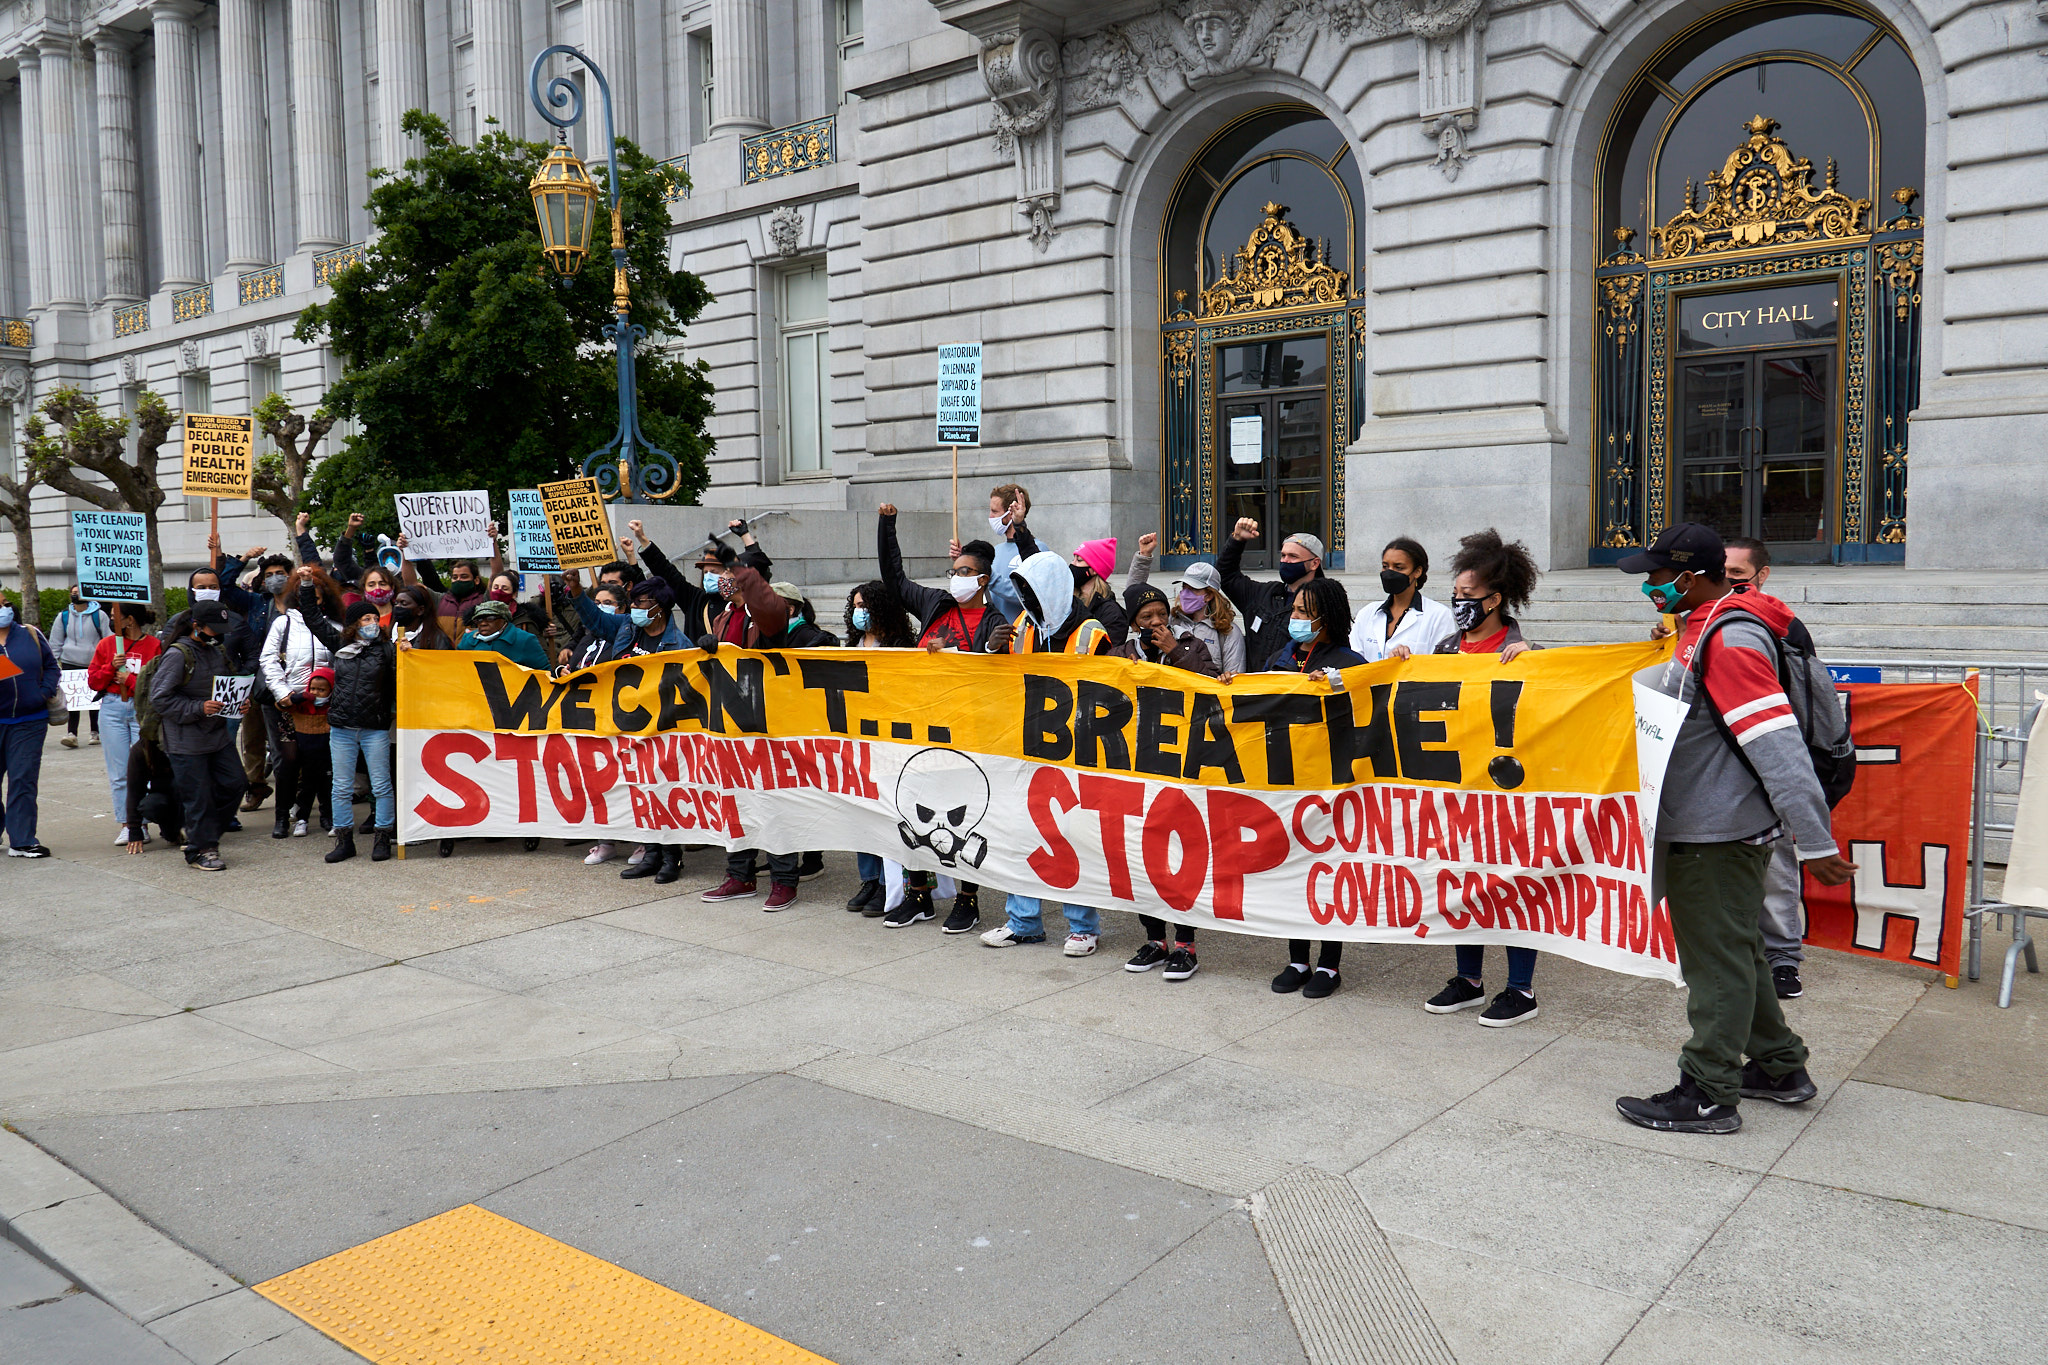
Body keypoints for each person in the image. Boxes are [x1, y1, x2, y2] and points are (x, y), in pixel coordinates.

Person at [1615, 522, 1856, 1134]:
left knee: (1715, 963)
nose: (1648, 587)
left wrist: (1816, 838)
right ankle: (1779, 1068)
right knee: (1739, 952)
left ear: (1691, 576)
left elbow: (1777, 744)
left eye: (1656, 575)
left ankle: (1707, 1093)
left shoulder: (1732, 641)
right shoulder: (1704, 625)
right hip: (1713, 820)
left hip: (1717, 831)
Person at [1422, 530, 1545, 1027]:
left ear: (1497, 599)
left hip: (1506, 792)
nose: (1459, 603)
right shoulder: (1447, 648)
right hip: (1457, 792)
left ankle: (1521, 989)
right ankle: (1469, 980)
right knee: (1464, 884)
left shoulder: (1522, 650)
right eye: (1456, 595)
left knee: (1513, 886)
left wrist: (1533, 667)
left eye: (1469, 597)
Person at [981, 550, 1117, 954]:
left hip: (1078, 753)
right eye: (1023, 591)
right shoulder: (1021, 626)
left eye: (1033, 591)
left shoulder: (1092, 633)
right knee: (1021, 835)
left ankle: (1083, 926)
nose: (1028, 601)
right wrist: (990, 649)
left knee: (1074, 838)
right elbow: (993, 682)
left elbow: (1110, 690)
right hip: (1026, 749)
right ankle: (1022, 921)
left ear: (1054, 590)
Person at [1260, 578, 1364, 995]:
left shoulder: (1349, 661)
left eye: (1305, 612)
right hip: (1287, 783)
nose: (1296, 618)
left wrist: (1335, 685)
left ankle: (1330, 965)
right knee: (1292, 871)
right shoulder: (1279, 657)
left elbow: (1363, 708)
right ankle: (1297, 959)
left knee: (1328, 870)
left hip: (1331, 785)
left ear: (1328, 617)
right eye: (1295, 610)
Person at [1113, 583, 1218, 981]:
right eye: (1146, 617)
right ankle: (1155, 939)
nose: (1156, 622)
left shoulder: (1191, 645)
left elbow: (1210, 683)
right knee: (1140, 857)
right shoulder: (1121, 654)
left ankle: (1186, 944)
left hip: (1179, 766)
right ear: (1133, 623)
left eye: (1161, 614)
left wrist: (1173, 650)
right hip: (1136, 768)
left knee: (1178, 857)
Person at [1723, 536, 1810, 1001]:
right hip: (1712, 775)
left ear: (1762, 576)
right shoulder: (1691, 623)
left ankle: (1782, 960)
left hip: (1762, 764)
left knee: (1775, 867)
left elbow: (1804, 696)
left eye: (1737, 577)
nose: (1728, 585)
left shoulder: (1783, 627)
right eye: (1722, 575)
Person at [564, 572, 689, 882]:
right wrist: (577, 590)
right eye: (632, 602)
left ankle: (672, 858)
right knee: (641, 791)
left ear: (659, 607)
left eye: (641, 602)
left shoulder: (678, 643)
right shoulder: (627, 628)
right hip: (628, 727)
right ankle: (651, 853)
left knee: (663, 792)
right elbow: (594, 620)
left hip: (661, 730)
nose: (634, 607)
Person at [839, 582, 934, 921]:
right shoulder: (852, 644)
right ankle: (869, 880)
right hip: (857, 741)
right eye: (856, 605)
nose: (859, 611)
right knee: (861, 812)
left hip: (889, 742)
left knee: (887, 812)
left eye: (865, 605)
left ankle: (888, 882)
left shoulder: (900, 647)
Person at [148, 601, 249, 871]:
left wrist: (239, 702)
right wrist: (198, 707)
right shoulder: (178, 654)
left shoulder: (216, 651)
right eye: (213, 629)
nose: (218, 634)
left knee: (235, 783)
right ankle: (201, 850)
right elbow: (159, 698)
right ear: (196, 626)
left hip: (216, 735)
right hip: (185, 740)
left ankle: (199, 834)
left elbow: (227, 685)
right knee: (199, 795)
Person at [300, 595, 398, 863]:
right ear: (354, 624)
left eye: (376, 619)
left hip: (374, 728)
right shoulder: (341, 645)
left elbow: (401, 682)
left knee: (381, 785)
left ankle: (383, 837)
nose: (373, 623)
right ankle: (345, 841)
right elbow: (313, 620)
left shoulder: (388, 650)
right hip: (342, 727)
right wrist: (307, 585)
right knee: (341, 786)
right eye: (367, 619)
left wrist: (407, 654)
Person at [260, 567, 340, 837]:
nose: (311, 603)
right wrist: (283, 693)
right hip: (291, 704)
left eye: (317, 598)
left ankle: (326, 814)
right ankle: (282, 817)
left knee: (324, 762)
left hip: (325, 707)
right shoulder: (283, 624)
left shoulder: (335, 627)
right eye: (307, 597)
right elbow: (268, 660)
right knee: (289, 761)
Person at [877, 503, 1002, 653]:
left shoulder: (994, 623)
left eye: (963, 571)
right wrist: (887, 526)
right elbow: (896, 582)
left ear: (983, 580)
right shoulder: (934, 603)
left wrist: (990, 648)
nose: (956, 577)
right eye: (953, 572)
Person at [87, 601, 161, 845]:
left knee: (146, 768)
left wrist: (130, 680)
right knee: (119, 772)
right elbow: (94, 682)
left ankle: (145, 821)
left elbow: (156, 683)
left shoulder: (154, 646)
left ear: (130, 620)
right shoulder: (106, 645)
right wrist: (111, 667)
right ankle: (128, 824)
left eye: (115, 616)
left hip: (142, 710)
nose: (110, 620)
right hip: (111, 708)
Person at [1124, 533, 1246, 676]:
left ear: (1209, 595)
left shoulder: (1228, 632)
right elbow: (1134, 598)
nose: (1186, 594)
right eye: (1184, 587)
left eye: (1193, 589)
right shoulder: (1170, 620)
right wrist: (1143, 557)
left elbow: (1234, 679)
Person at [1218, 517, 1327, 669]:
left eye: (1293, 556)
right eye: (1283, 555)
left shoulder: (1326, 602)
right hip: (1256, 687)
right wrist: (1237, 540)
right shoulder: (1262, 594)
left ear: (1315, 563)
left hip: (1295, 689)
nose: (1285, 561)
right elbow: (1226, 576)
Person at [0, 591, 60, 857]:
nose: (3, 609)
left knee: (23, 779)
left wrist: (42, 693)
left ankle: (23, 839)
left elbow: (51, 667)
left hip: (29, 721)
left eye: (3, 604)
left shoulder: (30, 634)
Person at [1350, 537, 1456, 662]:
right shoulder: (1367, 613)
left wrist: (1409, 661)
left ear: (1417, 571)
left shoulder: (1439, 615)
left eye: (1398, 567)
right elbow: (1353, 661)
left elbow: (1441, 665)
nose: (1390, 573)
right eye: (1385, 566)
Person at [280, 666, 335, 841]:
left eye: (321, 690)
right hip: (306, 756)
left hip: (327, 755)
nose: (316, 693)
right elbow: (281, 705)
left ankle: (327, 818)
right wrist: (298, 697)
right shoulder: (302, 705)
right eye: (312, 689)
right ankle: (302, 819)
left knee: (327, 788)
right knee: (306, 788)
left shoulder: (332, 707)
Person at [50, 586, 109, 748]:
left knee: (93, 699)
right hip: (70, 662)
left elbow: (107, 637)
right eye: (73, 593)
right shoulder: (64, 617)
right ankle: (72, 733)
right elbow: (56, 641)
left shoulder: (100, 615)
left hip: (93, 663)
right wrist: (53, 663)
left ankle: (94, 731)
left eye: (79, 593)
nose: (75, 596)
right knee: (73, 699)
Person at [123, 734, 184, 853]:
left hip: (191, 793)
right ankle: (173, 832)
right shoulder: (141, 749)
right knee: (151, 805)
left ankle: (194, 829)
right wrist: (135, 830)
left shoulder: (189, 738)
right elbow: (135, 791)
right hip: (165, 795)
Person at [458, 597, 550, 670]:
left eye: (490, 618)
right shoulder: (467, 640)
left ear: (504, 620)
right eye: (479, 619)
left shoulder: (524, 640)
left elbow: (545, 673)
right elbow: (458, 669)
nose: (483, 623)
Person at [985, 483, 1030, 624]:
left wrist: (990, 577)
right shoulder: (996, 550)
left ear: (1011, 512)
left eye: (994, 511)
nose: (990, 516)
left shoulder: (1038, 551)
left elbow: (1031, 594)